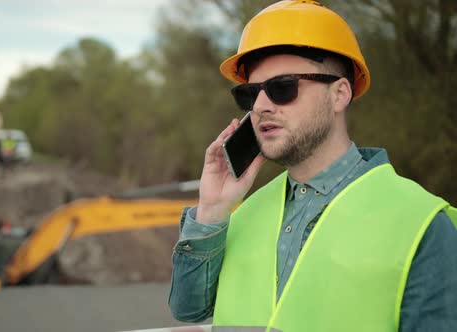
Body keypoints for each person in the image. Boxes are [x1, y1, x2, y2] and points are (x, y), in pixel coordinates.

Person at [168, 1, 457, 331]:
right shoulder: (241, 212)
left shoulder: (422, 225)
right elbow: (188, 309)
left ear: (339, 94)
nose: (260, 106)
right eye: (250, 93)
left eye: (282, 87)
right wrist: (212, 210)